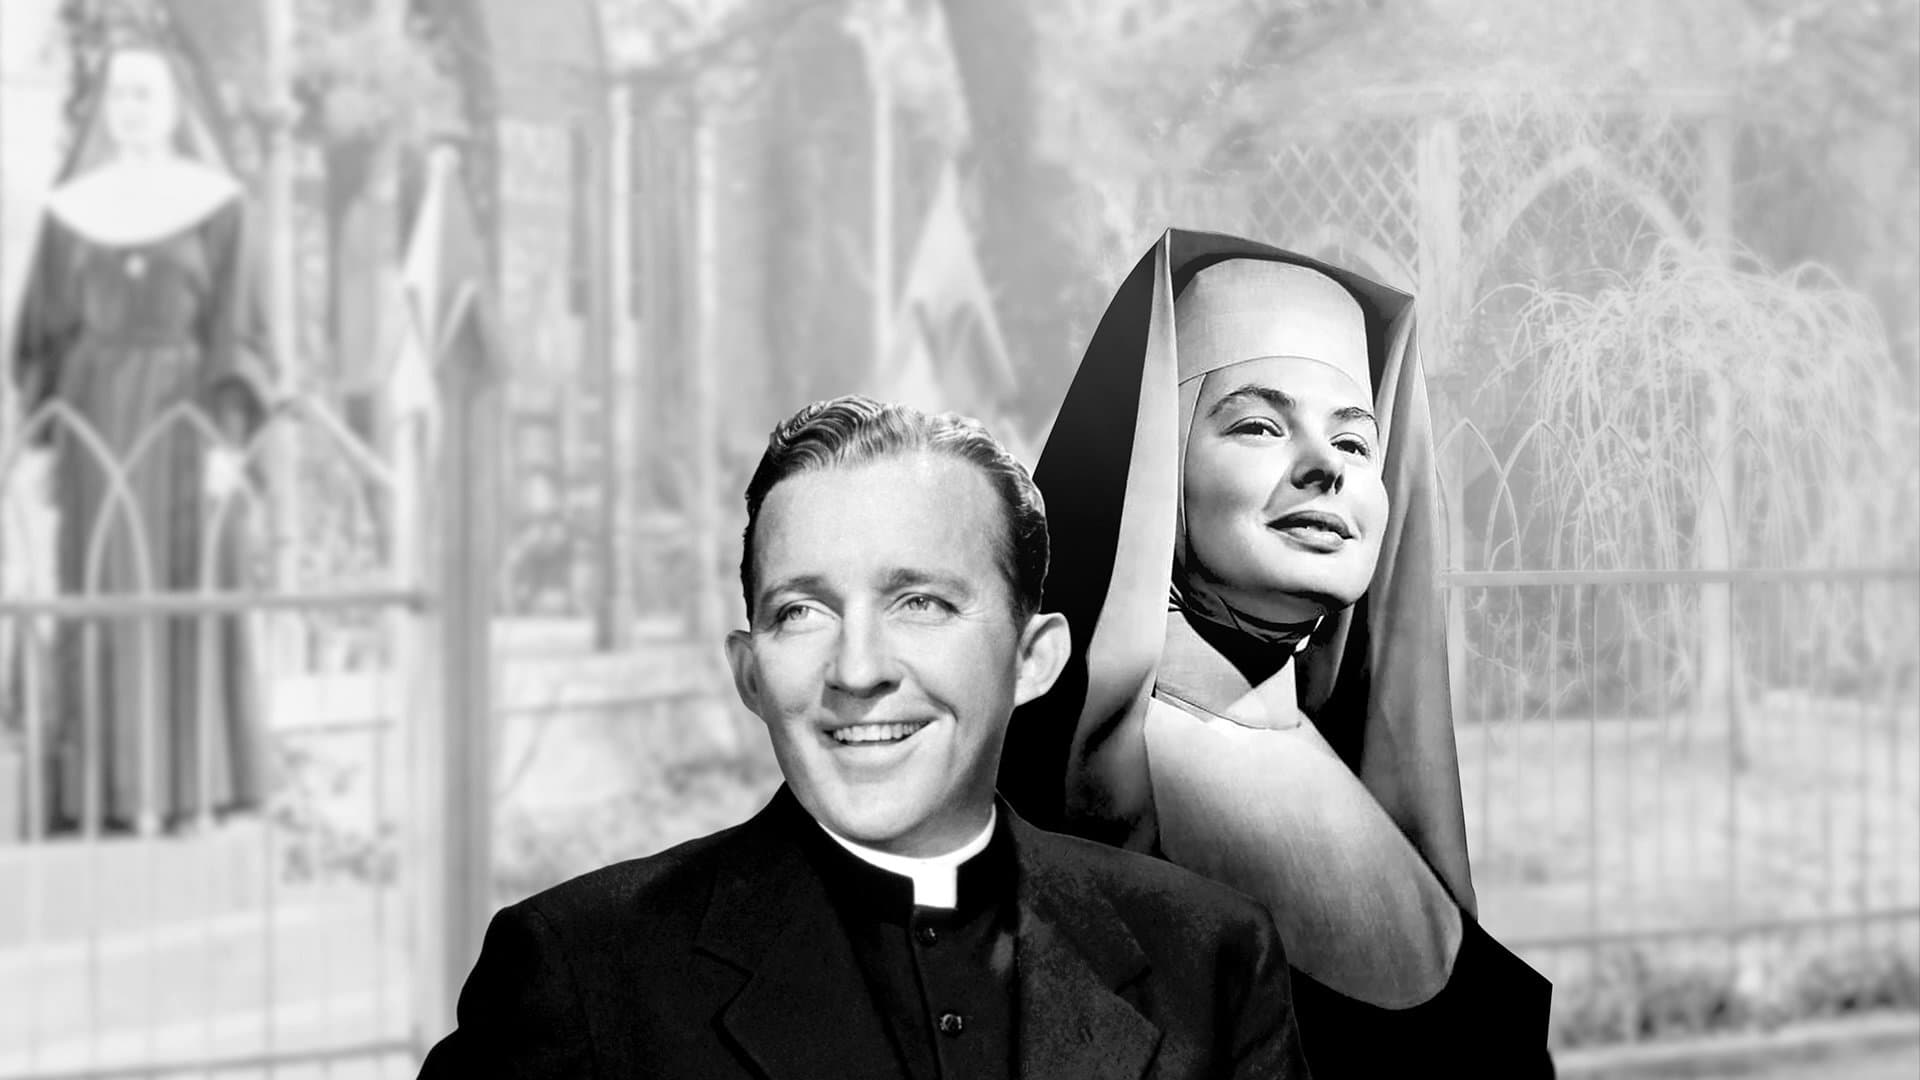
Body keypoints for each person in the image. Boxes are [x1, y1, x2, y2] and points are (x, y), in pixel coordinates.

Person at [420, 396, 1311, 1078]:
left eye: (919, 602)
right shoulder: (582, 971)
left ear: (1033, 659)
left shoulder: (1211, 958)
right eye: (801, 612)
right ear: (751, 673)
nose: (857, 670)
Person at [1001, 228, 1554, 1075]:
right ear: (1156, 460)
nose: (1326, 469)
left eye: (1355, 442)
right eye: (1260, 425)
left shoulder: (1361, 783)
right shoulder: (1049, 798)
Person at [11, 37, 273, 834]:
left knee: (184, 591)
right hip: (93, 423)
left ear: (173, 107)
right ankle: (105, 798)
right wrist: (41, 443)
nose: (130, 109)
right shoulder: (72, 210)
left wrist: (228, 439)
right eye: (119, 94)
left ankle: (190, 793)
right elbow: (45, 333)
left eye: (145, 94)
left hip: (181, 422)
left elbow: (236, 329)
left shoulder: (217, 205)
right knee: (101, 592)